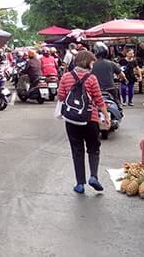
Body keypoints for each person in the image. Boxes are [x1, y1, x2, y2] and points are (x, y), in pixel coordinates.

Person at [58, 50, 110, 194]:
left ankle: (80, 184)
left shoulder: (66, 77)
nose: (93, 64)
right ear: (87, 62)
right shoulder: (92, 78)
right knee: (93, 148)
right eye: (92, 62)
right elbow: (99, 99)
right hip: (90, 119)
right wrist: (106, 116)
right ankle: (93, 176)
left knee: (77, 150)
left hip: (72, 120)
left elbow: (61, 96)